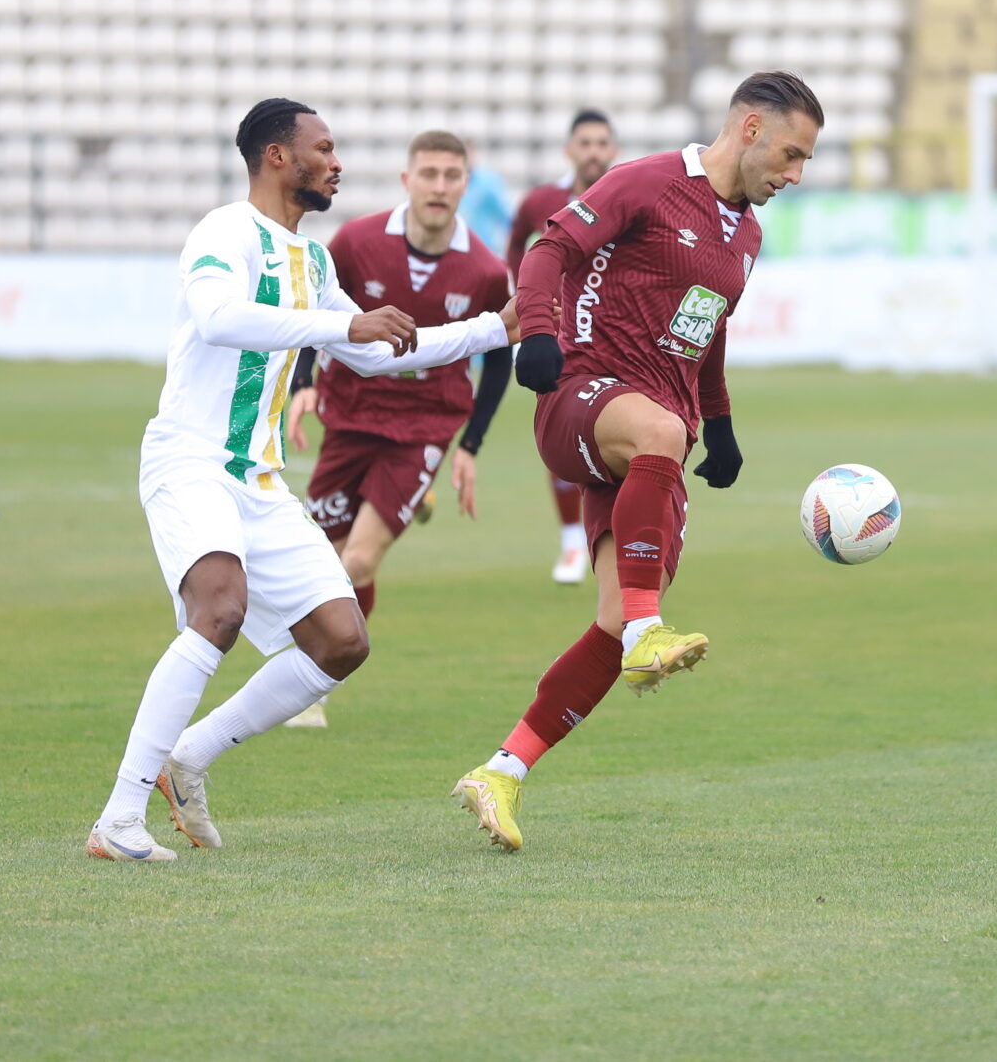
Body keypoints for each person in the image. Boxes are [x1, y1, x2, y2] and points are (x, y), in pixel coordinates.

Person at [92, 99, 520, 864]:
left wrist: (498, 327)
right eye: (324, 149)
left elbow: (380, 349)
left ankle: (187, 756)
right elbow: (219, 316)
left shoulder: (313, 261)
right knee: (217, 608)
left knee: (342, 640)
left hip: (256, 481)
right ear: (278, 158)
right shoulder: (224, 231)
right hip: (190, 459)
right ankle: (119, 817)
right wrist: (341, 327)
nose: (337, 162)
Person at [451, 72, 819, 853]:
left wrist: (718, 424)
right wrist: (542, 332)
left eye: (804, 164)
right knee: (659, 438)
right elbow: (552, 246)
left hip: (658, 424)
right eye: (791, 155)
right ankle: (650, 629)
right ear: (750, 128)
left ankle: (502, 770)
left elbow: (706, 329)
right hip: (582, 394)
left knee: (614, 621)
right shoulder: (649, 182)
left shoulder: (746, 234)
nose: (794, 176)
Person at [275, 129, 515, 728]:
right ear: (407, 181)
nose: (439, 186)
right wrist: (304, 385)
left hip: (423, 428)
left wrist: (471, 447)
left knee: (353, 562)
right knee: (325, 557)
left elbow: (501, 355)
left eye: (451, 175)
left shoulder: (485, 270)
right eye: (428, 174)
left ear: (466, 184)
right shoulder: (355, 243)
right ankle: (324, 663)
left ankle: (302, 679)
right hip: (351, 416)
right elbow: (319, 313)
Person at [506, 107, 621, 584]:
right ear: (569, 150)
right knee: (564, 432)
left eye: (601, 143)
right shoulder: (542, 201)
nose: (593, 152)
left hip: (616, 336)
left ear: (612, 150)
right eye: (585, 143)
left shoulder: (627, 194)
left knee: (617, 437)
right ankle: (573, 542)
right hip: (559, 336)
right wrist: (528, 305)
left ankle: (613, 539)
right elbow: (518, 248)